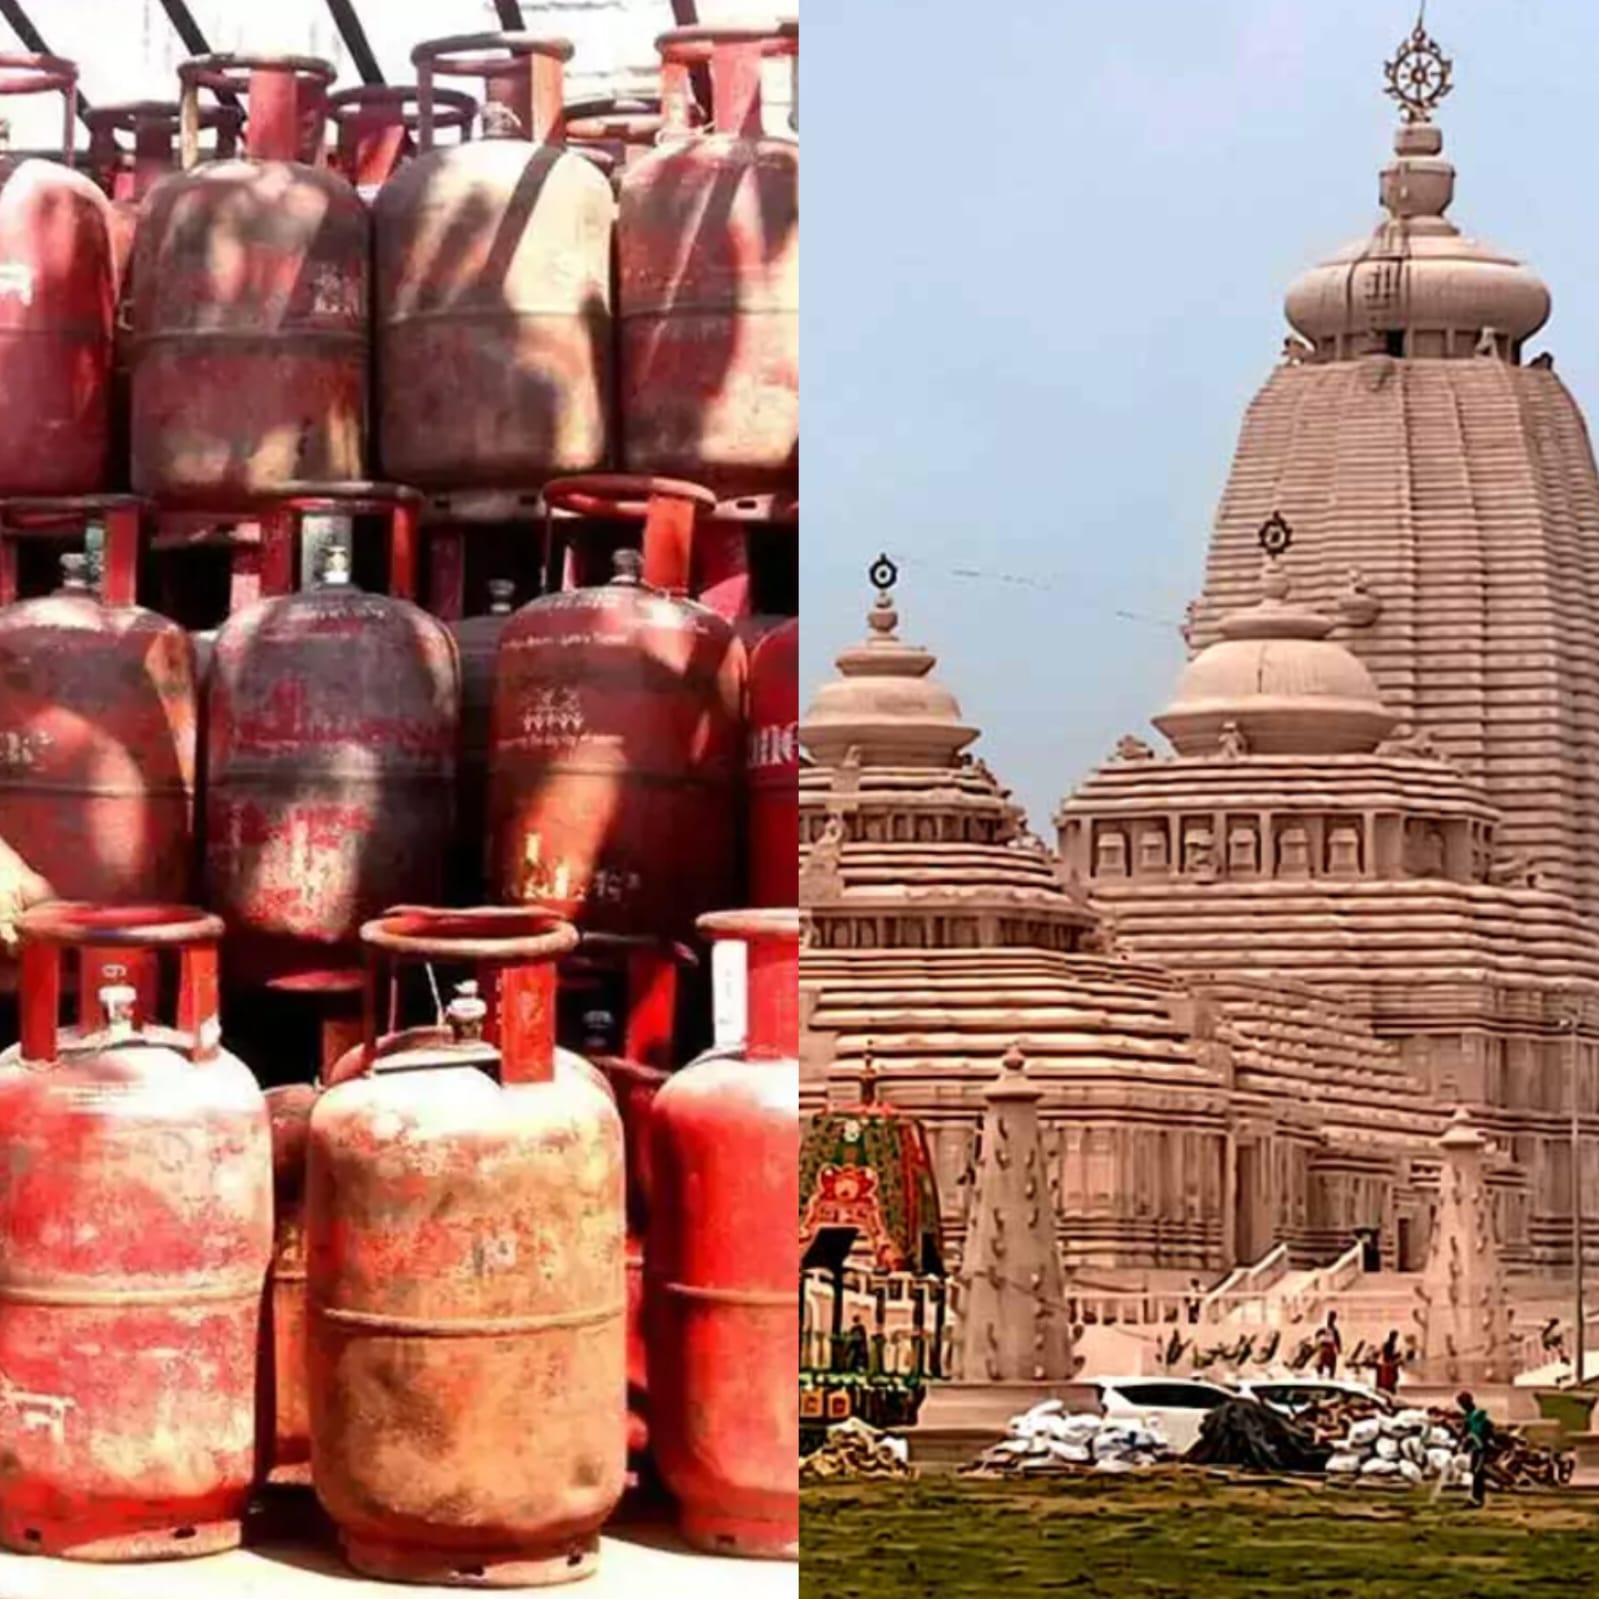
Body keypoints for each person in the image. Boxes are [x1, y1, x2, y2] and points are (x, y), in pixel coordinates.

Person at [1458, 1391, 1492, 1509]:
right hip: (1475, 1448)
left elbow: (1485, 1430)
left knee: (1478, 1473)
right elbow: (1466, 1433)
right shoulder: (1469, 1417)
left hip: (1481, 1448)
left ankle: (1477, 1499)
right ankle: (1475, 1498)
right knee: (1475, 1472)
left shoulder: (1478, 1416)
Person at [1314, 1310, 1342, 1378]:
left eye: (1332, 1317)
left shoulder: (1335, 1330)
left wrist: (1339, 1348)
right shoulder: (1323, 1328)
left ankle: (1331, 1376)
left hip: (1330, 1348)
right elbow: (1317, 1335)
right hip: (1323, 1348)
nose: (1331, 1319)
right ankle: (1320, 1375)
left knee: (1332, 1364)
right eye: (1330, 1317)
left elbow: (1337, 1340)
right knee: (1320, 1363)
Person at [1374, 1329, 1401, 1397]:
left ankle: (1390, 1391)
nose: (1396, 1338)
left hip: (1389, 1364)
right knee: (1391, 1380)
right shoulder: (1389, 1344)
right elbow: (1388, 1355)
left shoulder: (1389, 1344)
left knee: (1394, 1379)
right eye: (1395, 1336)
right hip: (1388, 1364)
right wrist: (1397, 1355)